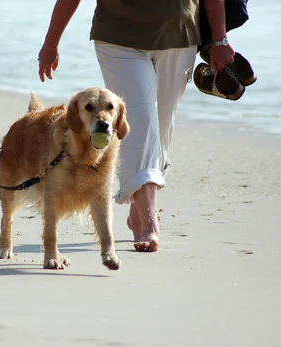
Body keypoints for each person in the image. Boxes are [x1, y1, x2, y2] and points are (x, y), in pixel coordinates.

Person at [38, 0, 235, 252]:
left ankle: (138, 207)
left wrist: (219, 39)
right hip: (118, 38)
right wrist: (51, 42)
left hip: (180, 35)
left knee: (161, 128)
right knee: (140, 122)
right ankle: (149, 222)